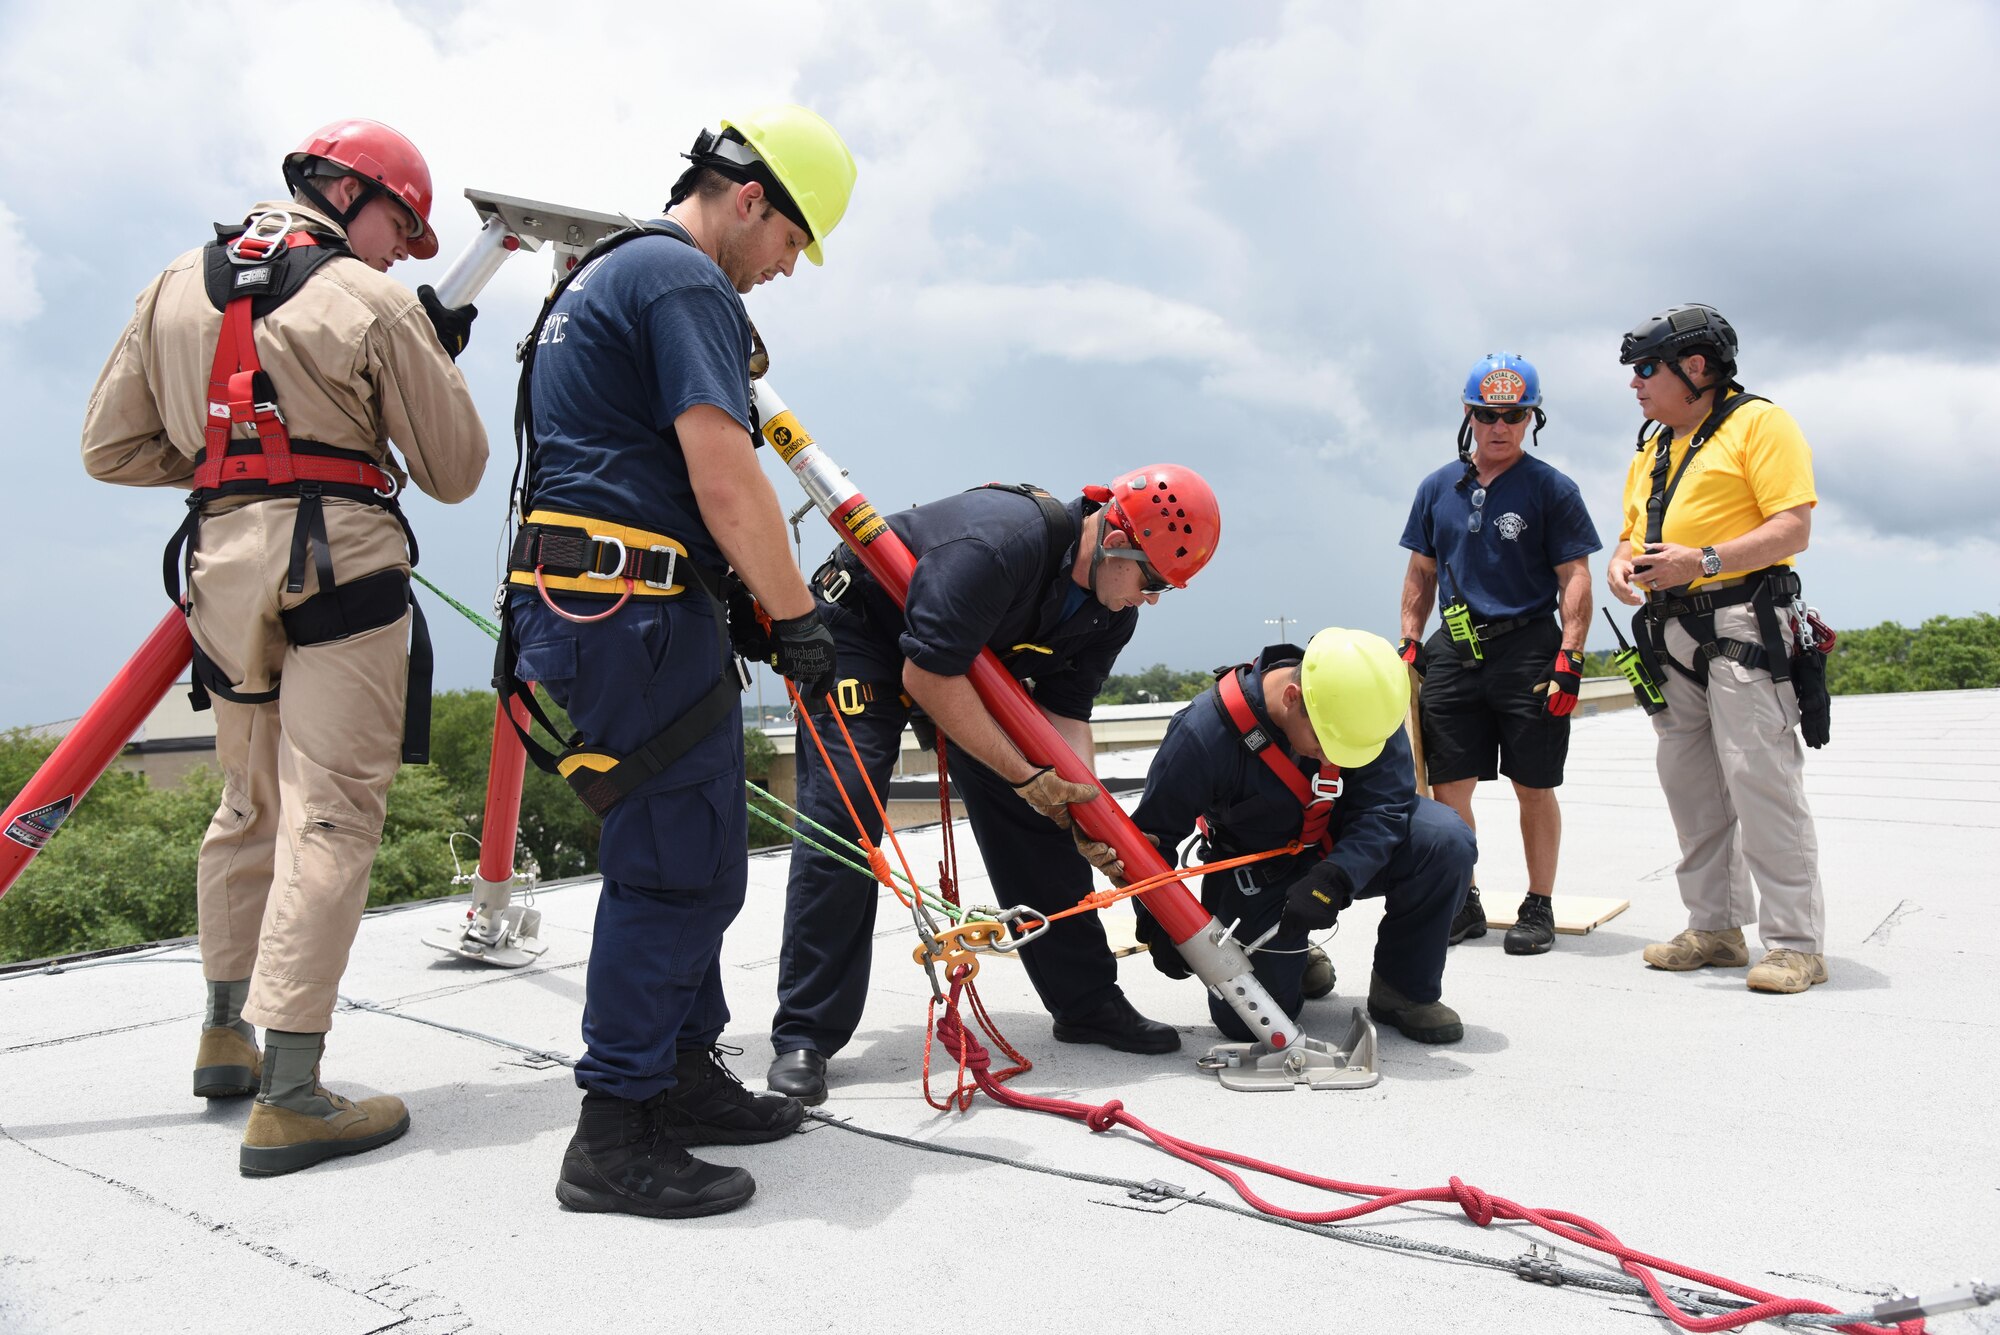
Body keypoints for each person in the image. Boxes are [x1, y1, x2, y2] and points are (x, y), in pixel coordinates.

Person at [80, 118, 488, 1175]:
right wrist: (419, 368)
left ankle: (226, 1035)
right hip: (337, 563)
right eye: (403, 224)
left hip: (220, 565)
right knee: (335, 812)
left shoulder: (173, 282)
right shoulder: (371, 298)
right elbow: (453, 470)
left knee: (245, 801)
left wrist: (234, 457)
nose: (404, 250)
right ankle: (296, 1090)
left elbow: (109, 447)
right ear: (354, 197)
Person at [499, 107, 857, 1217]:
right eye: (792, 245)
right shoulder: (681, 280)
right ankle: (616, 1130)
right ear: (751, 199)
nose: (783, 273)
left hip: (599, 603)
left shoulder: (601, 280)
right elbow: (722, 466)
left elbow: (628, 465)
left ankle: (681, 1073)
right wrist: (795, 618)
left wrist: (733, 600)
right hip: (627, 612)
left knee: (681, 845)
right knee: (679, 867)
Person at [767, 467, 1222, 1104]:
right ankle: (805, 1036)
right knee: (846, 817)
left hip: (960, 656)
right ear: (1114, 536)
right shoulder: (999, 547)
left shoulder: (1107, 614)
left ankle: (1086, 1003)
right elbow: (928, 681)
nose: (1149, 599)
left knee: (1041, 813)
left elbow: (1064, 722)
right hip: (863, 630)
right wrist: (1029, 776)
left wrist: (1080, 810)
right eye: (1151, 580)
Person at [1102, 630, 1477, 1043]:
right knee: (1247, 1023)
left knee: (1443, 840)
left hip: (1343, 849)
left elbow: (1385, 808)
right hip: (1259, 871)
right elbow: (1149, 841)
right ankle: (1295, 955)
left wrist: (1338, 876)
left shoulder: (1363, 704)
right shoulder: (1203, 735)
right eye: (1325, 743)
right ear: (1292, 698)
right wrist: (1159, 922)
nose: (1334, 759)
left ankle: (1403, 989)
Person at [1606, 304, 1827, 994]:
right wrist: (1620, 564)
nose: (1635, 384)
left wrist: (1700, 560)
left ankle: (1795, 943)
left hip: (1739, 625)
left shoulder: (1759, 424)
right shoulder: (1653, 447)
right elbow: (1631, 534)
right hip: (1671, 635)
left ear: (1696, 368)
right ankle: (1717, 927)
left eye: (1646, 369)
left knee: (1761, 779)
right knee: (1691, 788)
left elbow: (1792, 528)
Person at [1397, 353, 1600, 955]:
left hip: (1529, 648)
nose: (1499, 426)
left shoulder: (1552, 488)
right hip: (1455, 649)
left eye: (1514, 414)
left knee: (1533, 783)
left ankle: (1538, 904)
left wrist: (1571, 656)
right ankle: (1465, 900)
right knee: (1448, 787)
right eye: (1487, 413)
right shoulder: (1438, 488)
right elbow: (1419, 572)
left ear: (1531, 417)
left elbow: (1575, 577)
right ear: (1469, 413)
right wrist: (1409, 639)